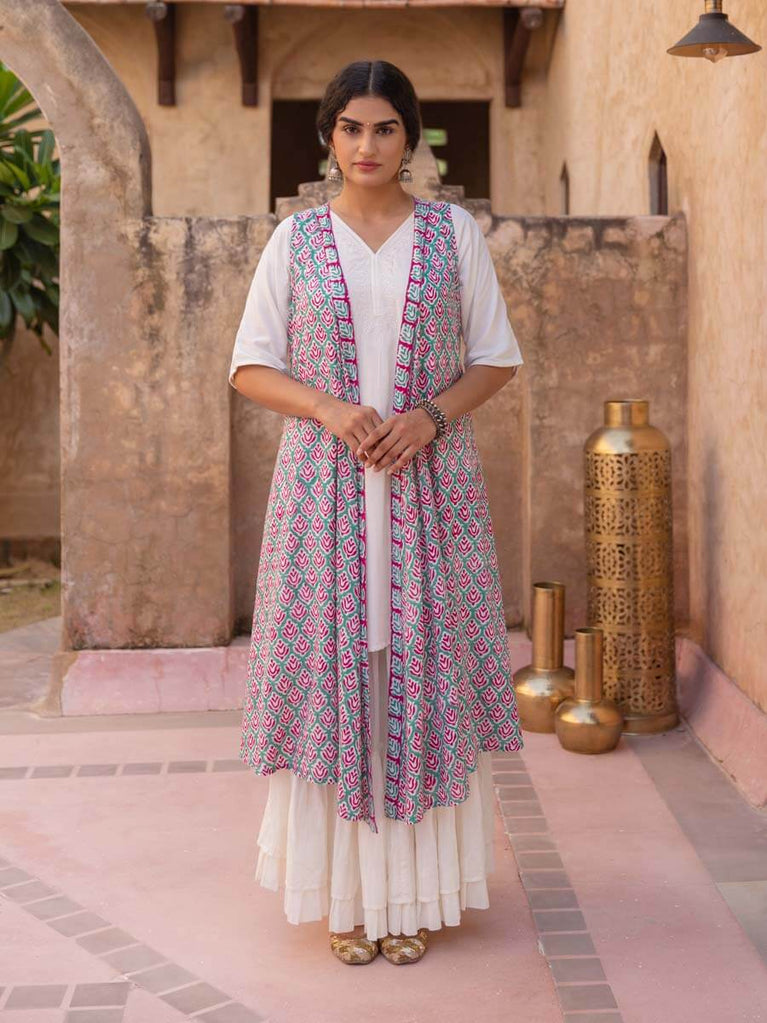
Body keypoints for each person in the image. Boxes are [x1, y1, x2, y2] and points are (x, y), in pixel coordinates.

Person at [229, 59, 525, 966]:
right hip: (324, 493)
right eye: (350, 127)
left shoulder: (450, 234)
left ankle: (410, 901)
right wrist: (326, 407)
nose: (366, 145)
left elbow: (495, 357)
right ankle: (345, 901)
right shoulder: (295, 241)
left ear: (410, 137)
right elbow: (250, 364)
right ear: (328, 136)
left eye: (384, 128)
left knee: (420, 672)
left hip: (429, 489)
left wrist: (428, 417)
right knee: (337, 673)